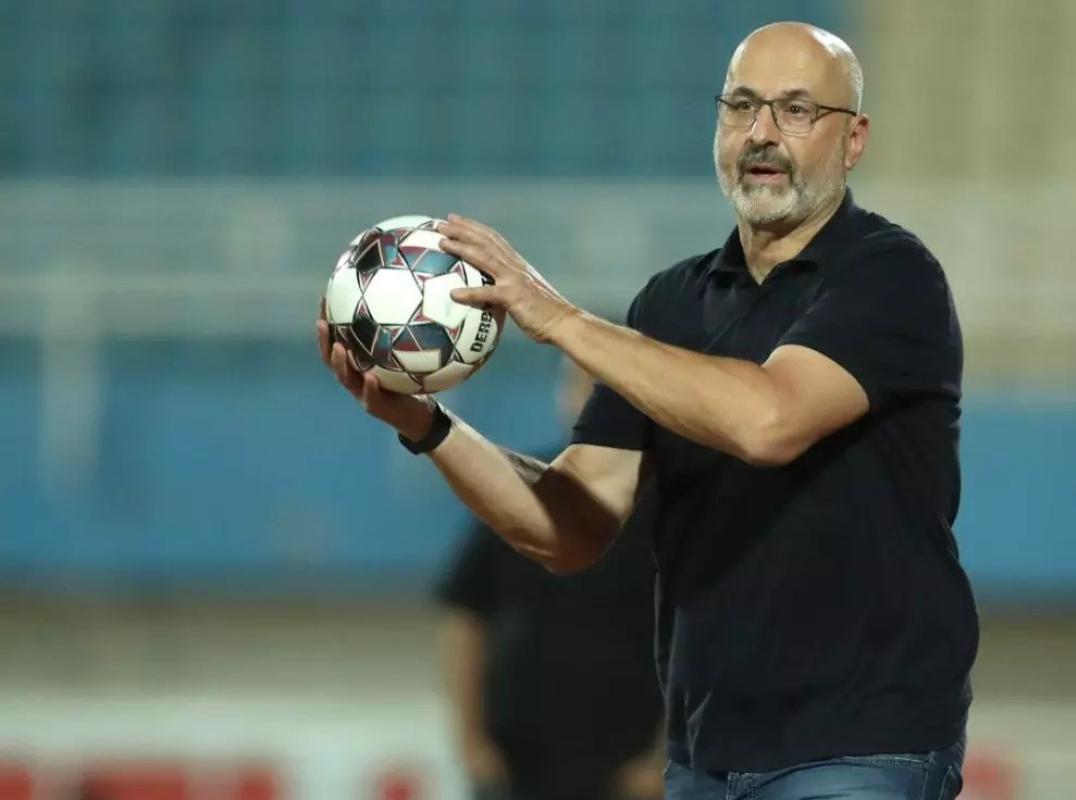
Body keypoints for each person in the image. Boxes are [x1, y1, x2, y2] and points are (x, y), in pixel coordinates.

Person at [319, 21, 978, 800]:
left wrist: (559, 319)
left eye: (797, 110)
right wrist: (427, 426)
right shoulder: (670, 305)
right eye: (741, 106)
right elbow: (570, 524)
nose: (761, 133)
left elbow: (769, 422)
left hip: (859, 748)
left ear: (853, 139)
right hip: (705, 757)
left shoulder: (889, 276)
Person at [436, 361, 663, 800]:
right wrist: (471, 741)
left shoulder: (670, 512)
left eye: (611, 389)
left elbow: (702, 639)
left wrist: (665, 757)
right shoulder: (517, 487)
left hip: (626, 772)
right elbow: (465, 617)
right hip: (516, 767)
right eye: (583, 386)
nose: (594, 401)